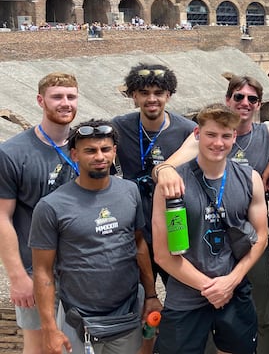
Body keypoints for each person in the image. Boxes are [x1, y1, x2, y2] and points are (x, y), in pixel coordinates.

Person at [153, 75, 269, 353]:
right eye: (211, 135)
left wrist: (231, 281)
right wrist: (210, 287)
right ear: (197, 134)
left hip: (233, 289)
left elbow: (261, 237)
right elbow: (163, 254)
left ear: (234, 137)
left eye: (226, 136)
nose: (218, 143)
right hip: (187, 296)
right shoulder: (173, 183)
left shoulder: (250, 179)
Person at [29, 120, 161, 354]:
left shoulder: (130, 191)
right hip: (78, 320)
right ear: (75, 154)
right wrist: (49, 328)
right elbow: (42, 271)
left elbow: (139, 244)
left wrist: (151, 294)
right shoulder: (51, 206)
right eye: (90, 150)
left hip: (126, 316)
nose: (99, 156)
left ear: (114, 152)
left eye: (105, 149)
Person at [0, 72, 79, 354]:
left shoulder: (87, 147)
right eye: (57, 97)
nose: (65, 103)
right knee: (39, 346)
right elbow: (2, 217)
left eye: (71, 96)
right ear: (40, 100)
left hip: (80, 268)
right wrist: (17, 276)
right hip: (36, 270)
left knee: (76, 344)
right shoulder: (12, 153)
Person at [112, 64, 196, 285]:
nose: (152, 99)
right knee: (137, 292)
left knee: (180, 291)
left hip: (173, 222)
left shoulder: (186, 130)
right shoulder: (119, 127)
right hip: (134, 226)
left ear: (168, 95)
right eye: (144, 93)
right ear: (134, 96)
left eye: (158, 93)